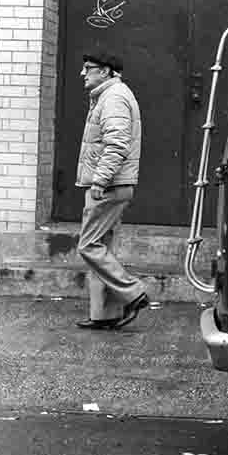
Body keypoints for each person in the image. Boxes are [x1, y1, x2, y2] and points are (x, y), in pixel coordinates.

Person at [74, 51, 149, 330]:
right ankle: (105, 314)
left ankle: (134, 292)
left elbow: (117, 144)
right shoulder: (108, 95)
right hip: (111, 185)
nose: (83, 73)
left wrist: (99, 181)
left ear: (104, 71)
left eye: (88, 68)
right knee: (101, 247)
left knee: (88, 246)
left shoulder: (114, 97)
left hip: (109, 186)